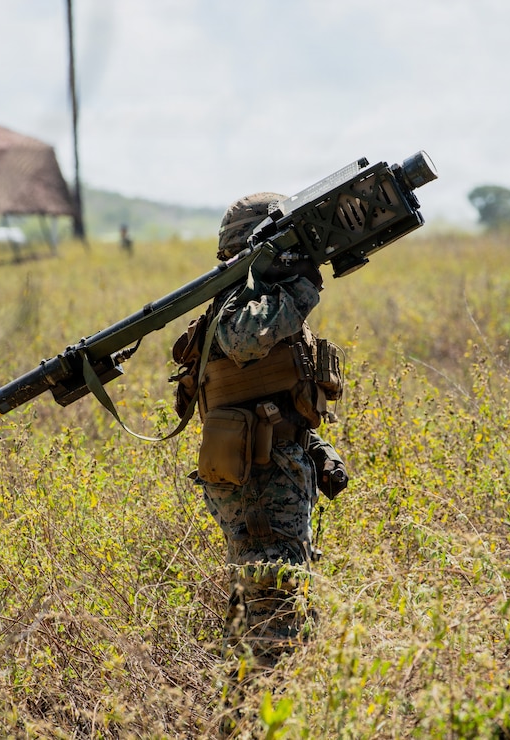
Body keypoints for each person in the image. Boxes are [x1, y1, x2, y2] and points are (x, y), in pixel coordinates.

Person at [170, 192, 349, 670]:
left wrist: (312, 446)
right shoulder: (239, 302)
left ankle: (246, 708)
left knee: (266, 604)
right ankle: (255, 713)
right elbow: (240, 340)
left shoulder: (263, 300)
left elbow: (270, 395)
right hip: (259, 480)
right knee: (275, 615)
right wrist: (300, 288)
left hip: (275, 469)